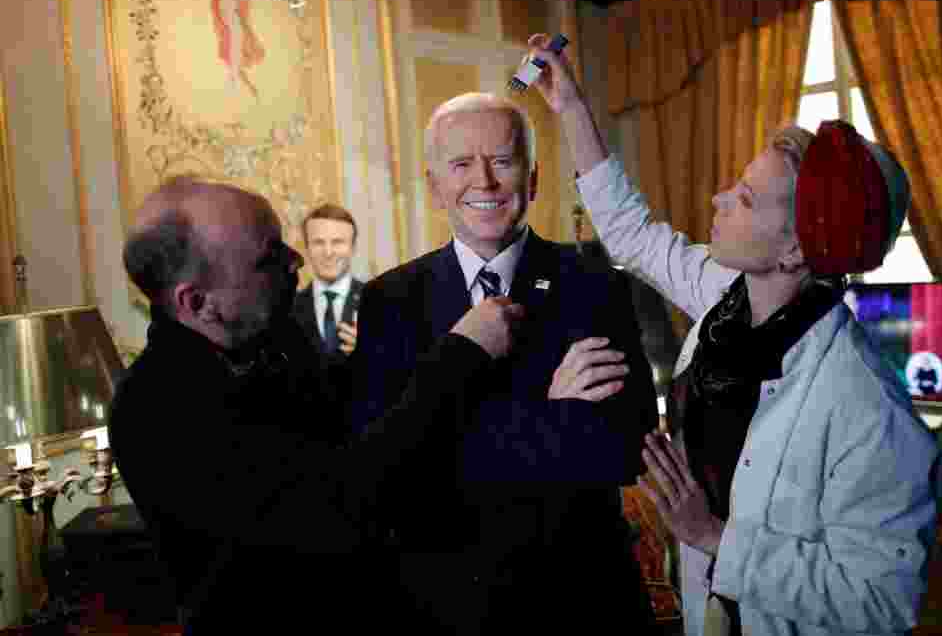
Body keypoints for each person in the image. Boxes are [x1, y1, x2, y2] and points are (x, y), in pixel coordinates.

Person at [526, 33, 942, 636]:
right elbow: (633, 234)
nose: (719, 199)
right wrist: (569, 108)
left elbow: (880, 603)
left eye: (745, 199)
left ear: (798, 248)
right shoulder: (726, 300)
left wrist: (712, 535)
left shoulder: (868, 408)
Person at [109, 175, 526, 634]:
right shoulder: (153, 410)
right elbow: (340, 502)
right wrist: (461, 355)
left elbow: (360, 405)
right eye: (267, 259)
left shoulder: (273, 340)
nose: (295, 263)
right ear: (197, 302)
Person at [347, 92, 660, 632]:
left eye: (502, 161)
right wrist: (554, 411)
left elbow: (623, 446)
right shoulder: (389, 301)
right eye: (462, 164)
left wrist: (458, 435)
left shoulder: (595, 284)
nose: (484, 182)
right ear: (434, 184)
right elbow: (388, 472)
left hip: (583, 599)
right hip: (450, 605)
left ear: (533, 179)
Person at [292, 203, 363, 364]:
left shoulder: (379, 303)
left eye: (338, 242)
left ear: (352, 247)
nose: (328, 252)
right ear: (307, 247)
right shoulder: (288, 309)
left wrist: (370, 350)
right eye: (318, 242)